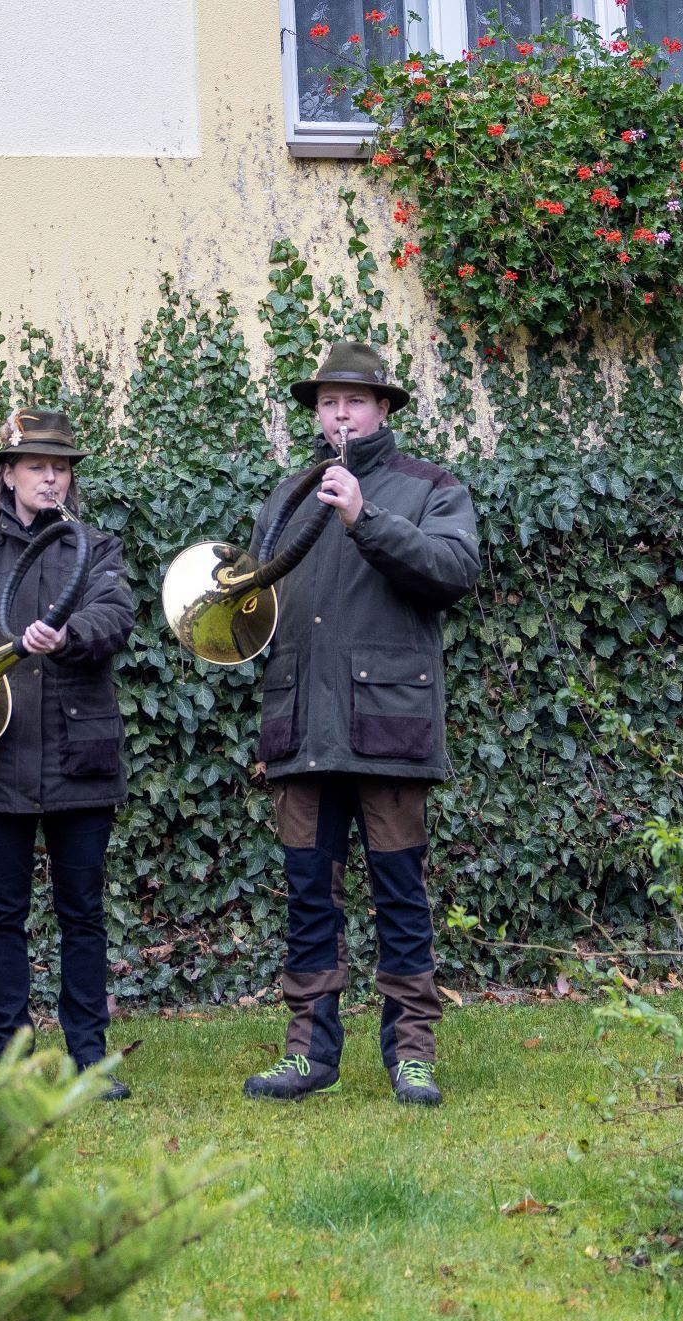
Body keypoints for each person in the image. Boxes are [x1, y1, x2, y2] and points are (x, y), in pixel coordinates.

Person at [239, 342, 481, 1108]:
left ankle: (413, 1055)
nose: (338, 414)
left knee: (400, 896)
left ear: (383, 411)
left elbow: (453, 572)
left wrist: (364, 516)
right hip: (302, 727)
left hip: (388, 728)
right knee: (309, 895)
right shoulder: (283, 498)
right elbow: (256, 604)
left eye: (353, 401)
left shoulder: (429, 489)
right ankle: (308, 1053)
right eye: (326, 403)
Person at [0, 408, 136, 1098]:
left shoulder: (94, 548)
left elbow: (116, 616)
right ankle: (11, 1058)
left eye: (61, 466)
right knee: (1, 913)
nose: (51, 476)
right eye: (37, 465)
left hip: (78, 755)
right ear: (6, 475)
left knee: (82, 912)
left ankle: (87, 1059)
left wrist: (68, 637)